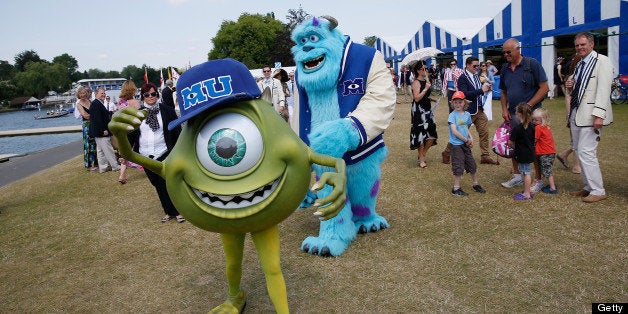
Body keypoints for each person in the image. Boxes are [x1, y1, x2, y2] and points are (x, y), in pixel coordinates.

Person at [564, 32, 613, 203]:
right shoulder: (579, 65)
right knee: (579, 150)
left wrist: (599, 116)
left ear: (591, 44)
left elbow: (604, 90)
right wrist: (570, 86)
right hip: (578, 114)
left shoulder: (602, 61)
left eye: (582, 44)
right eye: (577, 45)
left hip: (591, 116)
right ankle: (588, 187)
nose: (579, 48)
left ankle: (598, 190)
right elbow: (579, 89)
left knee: (587, 152)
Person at [128, 82, 185, 222]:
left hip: (164, 152)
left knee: (167, 183)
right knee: (157, 184)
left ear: (157, 95)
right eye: (147, 95)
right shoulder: (138, 114)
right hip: (145, 155)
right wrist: (125, 151)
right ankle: (168, 211)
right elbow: (132, 134)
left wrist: (178, 151)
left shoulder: (168, 111)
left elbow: (177, 133)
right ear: (142, 97)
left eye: (153, 94)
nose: (150, 97)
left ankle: (177, 211)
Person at [499, 37, 549, 188]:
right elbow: (503, 92)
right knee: (514, 144)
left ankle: (539, 180)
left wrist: (528, 106)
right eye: (504, 53)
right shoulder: (505, 68)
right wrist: (504, 109)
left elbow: (545, 88)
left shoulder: (532, 64)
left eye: (509, 52)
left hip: (531, 117)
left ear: (517, 49)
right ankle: (518, 176)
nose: (506, 55)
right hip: (514, 115)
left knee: (533, 147)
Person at [455, 56, 499, 165]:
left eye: (478, 65)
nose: (477, 67)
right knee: (461, 134)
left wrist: (486, 90)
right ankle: (447, 153)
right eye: (475, 66)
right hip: (468, 111)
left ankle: (485, 156)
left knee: (484, 132)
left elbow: (479, 91)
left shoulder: (476, 76)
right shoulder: (462, 78)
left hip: (479, 109)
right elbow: (464, 94)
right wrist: (480, 90)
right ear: (467, 65)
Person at [447, 91, 486, 196]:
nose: (458, 104)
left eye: (460, 102)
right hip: (456, 145)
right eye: (455, 102)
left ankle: (475, 184)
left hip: (465, 143)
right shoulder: (452, 115)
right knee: (458, 165)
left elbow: (466, 128)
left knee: (471, 163)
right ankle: (456, 188)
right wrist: (466, 140)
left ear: (464, 103)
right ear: (452, 103)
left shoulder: (467, 114)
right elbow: (454, 131)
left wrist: (471, 138)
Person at [556, 54, 582, 174]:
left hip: (584, 112)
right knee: (577, 140)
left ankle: (563, 155)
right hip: (576, 113)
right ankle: (576, 165)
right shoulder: (573, 77)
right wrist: (569, 114)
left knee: (581, 139)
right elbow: (568, 96)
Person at [409, 61, 436, 169]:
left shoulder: (426, 81)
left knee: (432, 134)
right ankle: (422, 159)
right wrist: (426, 88)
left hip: (428, 110)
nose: (426, 70)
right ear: (418, 70)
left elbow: (424, 97)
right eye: (424, 68)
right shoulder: (416, 82)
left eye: (426, 68)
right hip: (419, 111)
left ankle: (422, 154)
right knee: (421, 135)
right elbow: (416, 98)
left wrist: (431, 98)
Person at [116, 80, 143, 184]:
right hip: (135, 128)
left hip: (124, 129)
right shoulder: (135, 102)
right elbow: (140, 116)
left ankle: (122, 174)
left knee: (125, 151)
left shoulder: (120, 102)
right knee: (139, 148)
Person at [508, 103, 535, 200]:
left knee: (526, 173)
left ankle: (527, 194)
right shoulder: (532, 127)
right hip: (529, 152)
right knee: (524, 172)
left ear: (519, 114)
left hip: (522, 154)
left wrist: (509, 143)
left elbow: (510, 142)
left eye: (516, 112)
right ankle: (528, 190)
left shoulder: (517, 128)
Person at [89, 87, 120, 173]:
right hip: (101, 132)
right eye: (101, 93)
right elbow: (96, 119)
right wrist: (103, 130)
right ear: (96, 94)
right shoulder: (96, 104)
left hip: (98, 132)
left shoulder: (98, 103)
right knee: (108, 149)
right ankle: (115, 166)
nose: (103, 95)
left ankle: (103, 167)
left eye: (104, 93)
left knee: (101, 151)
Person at [440, 58, 464, 164]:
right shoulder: (447, 72)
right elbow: (445, 81)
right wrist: (443, 90)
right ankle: (452, 121)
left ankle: (459, 119)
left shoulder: (459, 71)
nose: (452, 65)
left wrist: (455, 73)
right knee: (451, 106)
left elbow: (460, 79)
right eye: (451, 64)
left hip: (458, 90)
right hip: (450, 90)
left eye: (454, 64)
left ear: (456, 64)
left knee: (459, 107)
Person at [532, 108, 558, 194]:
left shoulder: (538, 128)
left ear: (543, 120)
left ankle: (552, 188)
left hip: (544, 153)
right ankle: (552, 185)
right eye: (533, 119)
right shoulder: (547, 127)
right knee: (548, 169)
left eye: (536, 120)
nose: (534, 122)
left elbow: (535, 140)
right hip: (550, 152)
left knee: (547, 171)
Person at [75, 87, 98, 171]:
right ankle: (88, 165)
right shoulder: (78, 104)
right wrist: (95, 115)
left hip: (93, 124)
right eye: (81, 94)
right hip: (87, 126)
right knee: (88, 144)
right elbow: (85, 115)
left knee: (94, 144)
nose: (83, 95)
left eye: (84, 93)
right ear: (78, 95)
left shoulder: (90, 101)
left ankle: (95, 163)